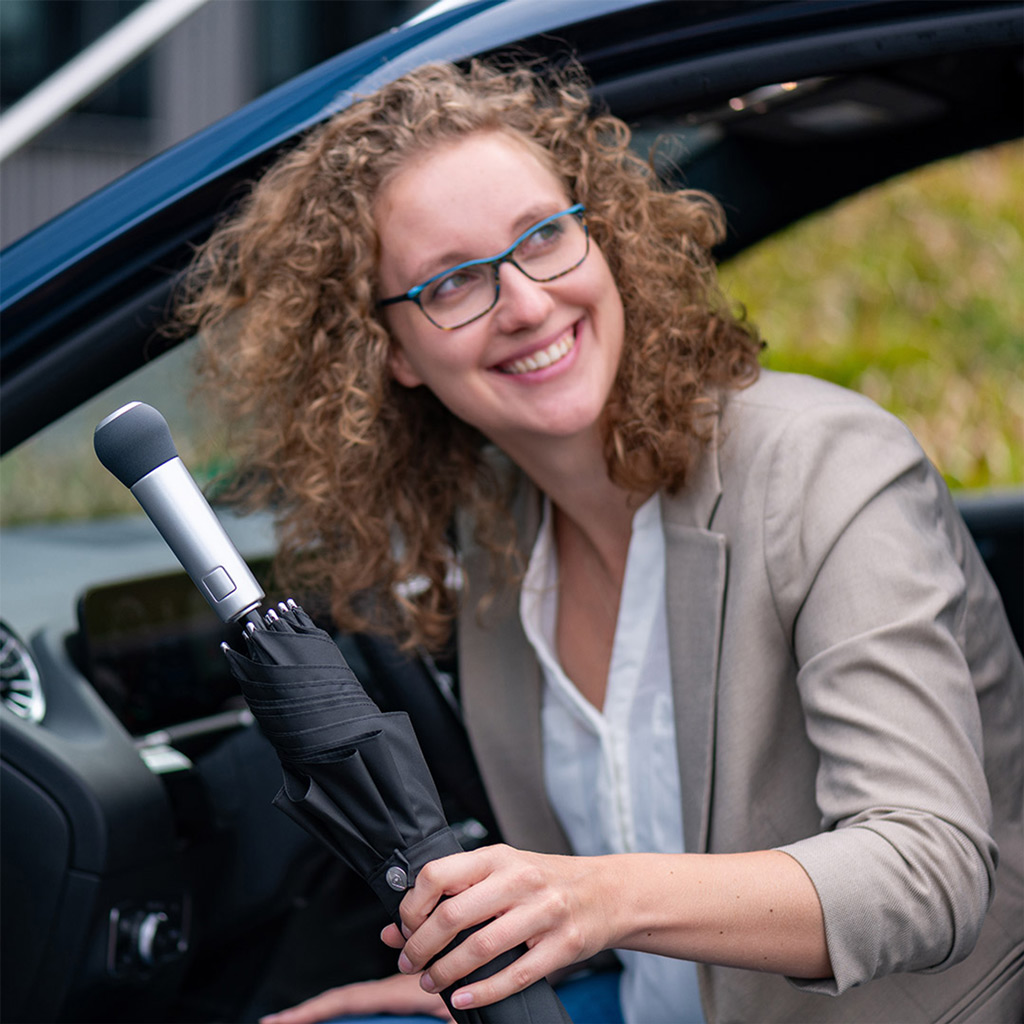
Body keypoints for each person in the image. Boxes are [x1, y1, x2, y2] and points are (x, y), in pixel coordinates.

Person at [175, 59, 1024, 1024]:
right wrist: (501, 960)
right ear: (392, 353)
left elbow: (931, 874)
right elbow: (595, 914)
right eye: (453, 282)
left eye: (544, 236)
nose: (527, 302)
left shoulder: (825, 468)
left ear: (603, 237)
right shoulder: (497, 537)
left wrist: (595, 899)